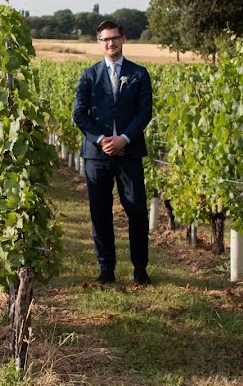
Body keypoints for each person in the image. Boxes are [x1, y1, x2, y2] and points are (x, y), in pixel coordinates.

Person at [72, 20, 153, 286]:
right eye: (105, 39)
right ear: (99, 43)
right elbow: (79, 116)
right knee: (100, 213)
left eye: (115, 38)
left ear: (123, 39)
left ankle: (140, 269)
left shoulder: (139, 74)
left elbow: (144, 112)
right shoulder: (88, 75)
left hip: (128, 153)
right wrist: (101, 140)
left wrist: (125, 139)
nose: (111, 43)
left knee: (137, 211)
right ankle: (106, 269)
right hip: (97, 155)